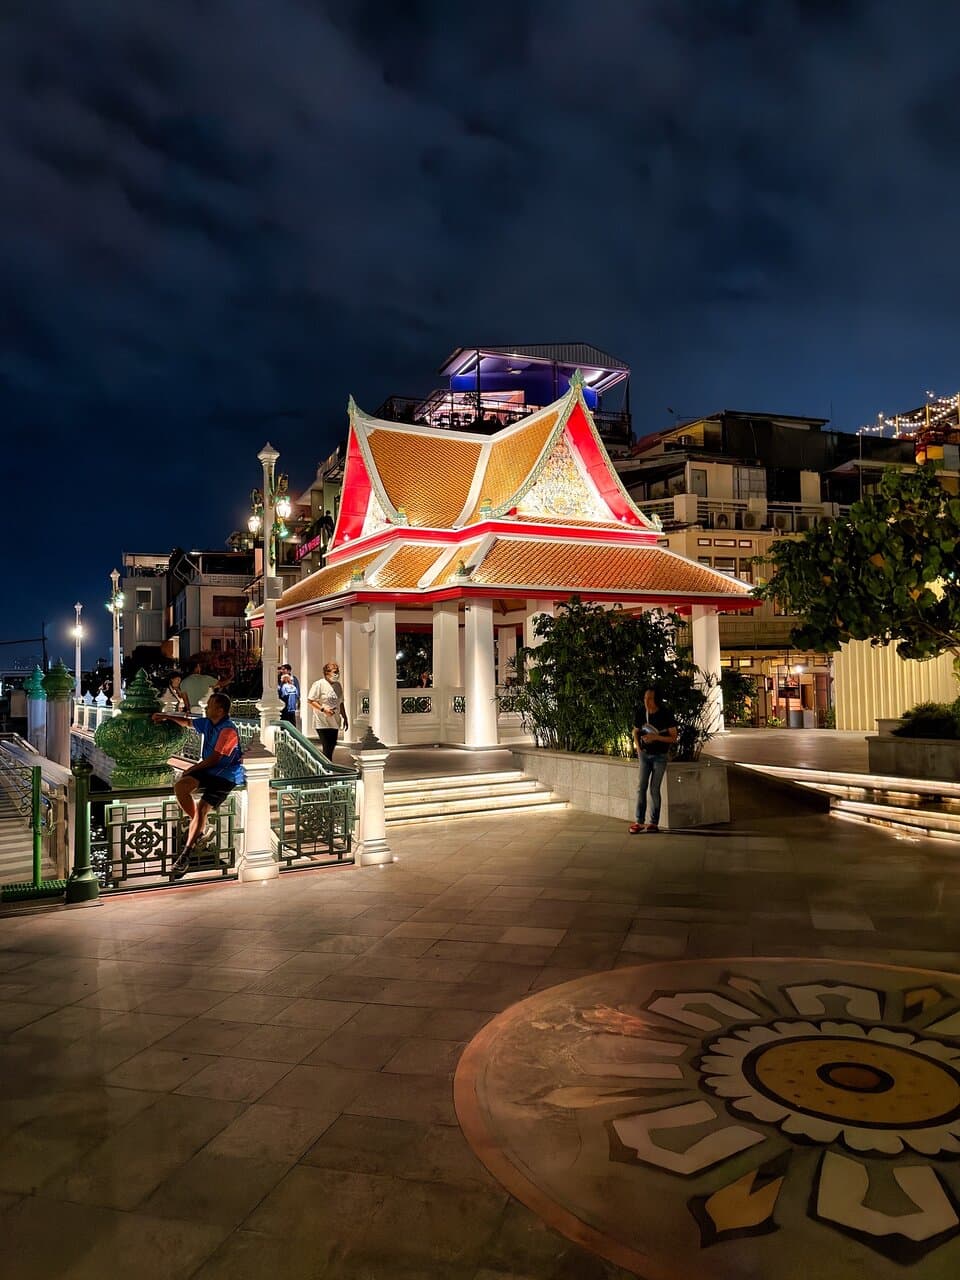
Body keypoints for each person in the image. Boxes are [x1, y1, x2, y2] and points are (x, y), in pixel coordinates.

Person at [152, 692, 245, 879]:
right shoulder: (209, 723)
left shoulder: (228, 730)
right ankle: (201, 826)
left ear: (220, 709)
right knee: (181, 787)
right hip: (209, 770)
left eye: (210, 704)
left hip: (226, 774)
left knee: (203, 808)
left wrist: (192, 768)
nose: (206, 707)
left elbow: (214, 759)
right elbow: (187, 722)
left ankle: (185, 855)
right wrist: (165, 716)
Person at [630, 686, 678, 835]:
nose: (646, 701)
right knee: (641, 788)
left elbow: (673, 736)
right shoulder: (641, 713)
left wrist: (656, 737)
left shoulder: (665, 714)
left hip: (660, 756)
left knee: (654, 789)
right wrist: (638, 748)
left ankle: (653, 823)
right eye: (645, 698)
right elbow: (635, 731)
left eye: (650, 698)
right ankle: (639, 821)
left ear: (656, 699)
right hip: (644, 755)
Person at [308, 661, 348, 759]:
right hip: (322, 721)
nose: (337, 674)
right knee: (327, 747)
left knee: (332, 744)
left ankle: (327, 767)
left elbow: (341, 702)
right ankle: (327, 768)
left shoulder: (338, 685)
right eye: (334, 672)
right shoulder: (319, 684)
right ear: (327, 673)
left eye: (337, 671)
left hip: (335, 720)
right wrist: (323, 709)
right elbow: (310, 700)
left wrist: (345, 716)